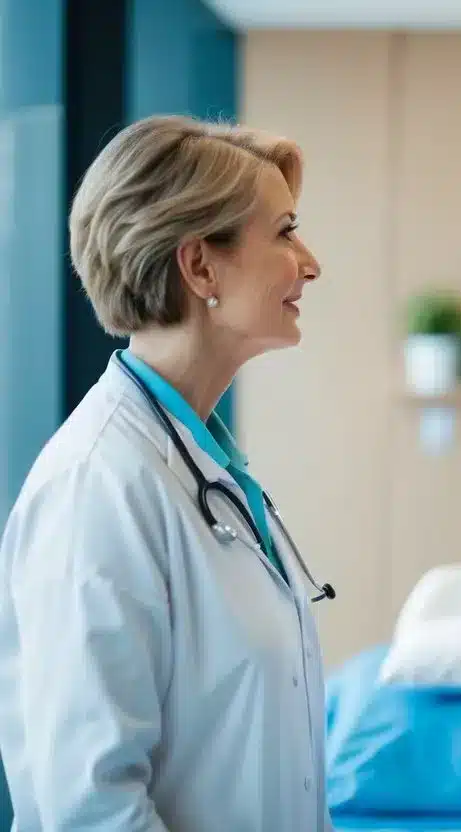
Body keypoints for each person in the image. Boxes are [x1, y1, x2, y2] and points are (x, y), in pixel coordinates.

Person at [0, 115, 335, 831]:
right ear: (200, 267)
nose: (309, 263)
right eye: (283, 232)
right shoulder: (98, 485)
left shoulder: (205, 467)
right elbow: (91, 809)